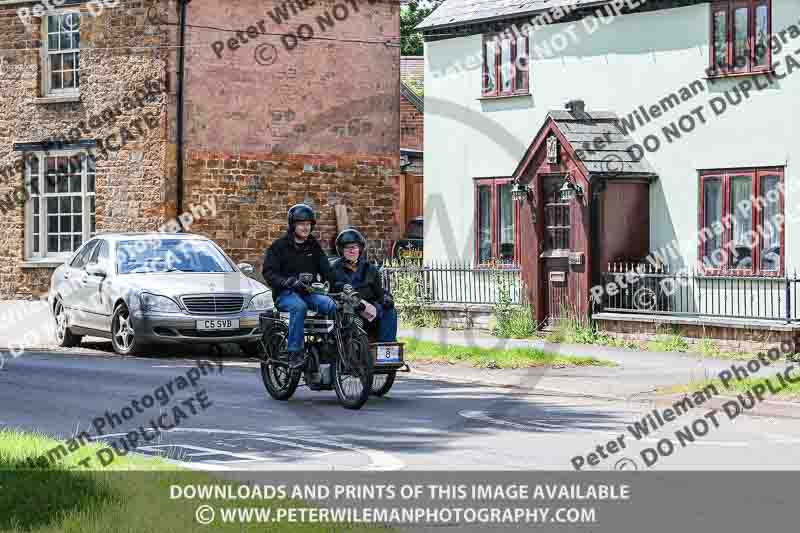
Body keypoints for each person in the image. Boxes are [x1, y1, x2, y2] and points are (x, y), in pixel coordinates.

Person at [262, 204, 336, 368]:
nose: (305, 227)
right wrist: (287, 282)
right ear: (293, 225)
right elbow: (268, 272)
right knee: (299, 307)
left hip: (309, 292)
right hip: (285, 294)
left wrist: (338, 285)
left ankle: (330, 345)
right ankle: (294, 352)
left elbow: (326, 270)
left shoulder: (313, 246)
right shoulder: (279, 246)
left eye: (308, 224)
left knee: (331, 305)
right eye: (301, 223)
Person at [331, 228, 398, 342]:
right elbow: (331, 290)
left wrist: (387, 298)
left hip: (368, 307)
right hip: (345, 307)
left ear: (360, 249)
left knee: (389, 311)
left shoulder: (370, 269)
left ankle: (386, 347)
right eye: (348, 248)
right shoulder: (333, 268)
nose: (352, 251)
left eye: (355, 247)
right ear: (341, 250)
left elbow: (378, 292)